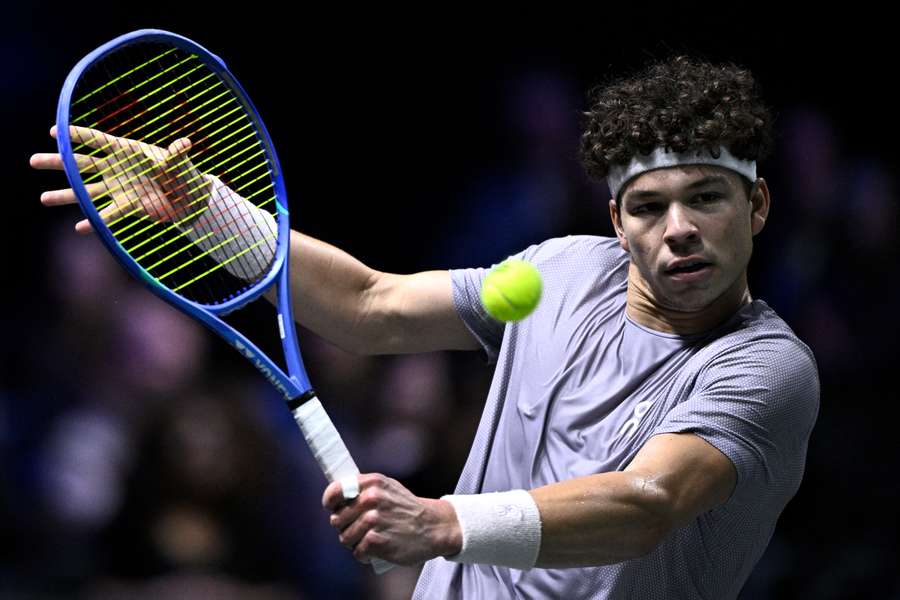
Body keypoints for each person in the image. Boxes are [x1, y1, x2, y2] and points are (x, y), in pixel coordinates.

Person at [32, 55, 820, 599]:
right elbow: (371, 306)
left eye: (708, 198)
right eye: (649, 205)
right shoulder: (562, 273)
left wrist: (442, 523)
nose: (678, 228)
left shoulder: (768, 367)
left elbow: (647, 503)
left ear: (756, 207)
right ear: (618, 221)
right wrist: (206, 210)